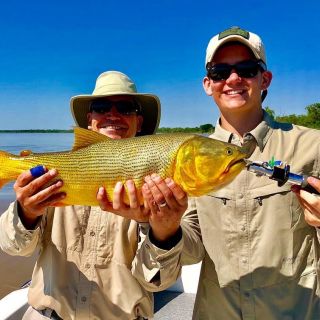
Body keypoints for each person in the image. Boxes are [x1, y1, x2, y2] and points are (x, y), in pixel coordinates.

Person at [132, 27, 320, 319]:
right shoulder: (187, 156)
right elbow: (192, 250)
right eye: (220, 72)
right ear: (208, 84)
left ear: (265, 78)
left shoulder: (312, 145)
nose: (233, 79)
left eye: (246, 69)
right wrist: (165, 228)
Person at [0, 70, 162, 320]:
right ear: (89, 120)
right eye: (101, 106)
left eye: (125, 107)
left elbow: (159, 280)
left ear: (139, 122)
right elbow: (12, 248)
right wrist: (27, 211)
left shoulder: (157, 180)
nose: (112, 114)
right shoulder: (50, 176)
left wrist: (156, 225)